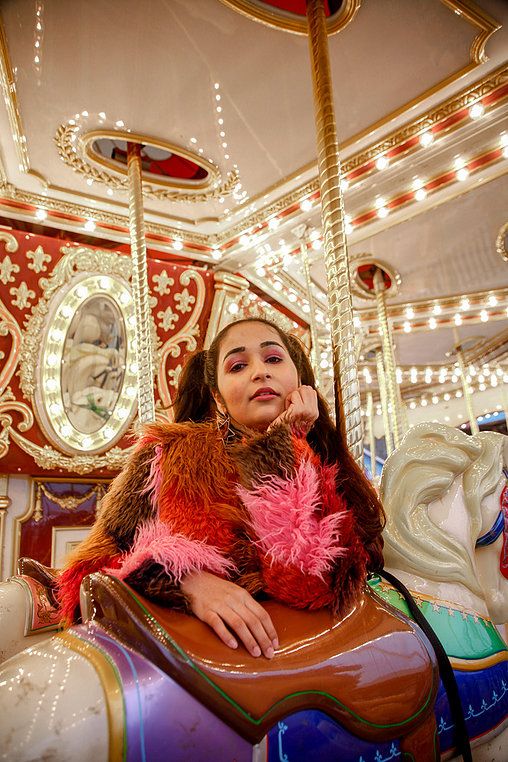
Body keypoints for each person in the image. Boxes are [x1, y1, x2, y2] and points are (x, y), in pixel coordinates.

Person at [57, 317, 385, 660]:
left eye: (273, 359)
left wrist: (286, 445)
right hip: (185, 659)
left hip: (297, 655)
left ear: (298, 379)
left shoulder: (328, 465)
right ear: (218, 397)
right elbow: (88, 573)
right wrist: (185, 581)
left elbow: (309, 586)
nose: (260, 372)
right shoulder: (167, 457)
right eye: (239, 365)